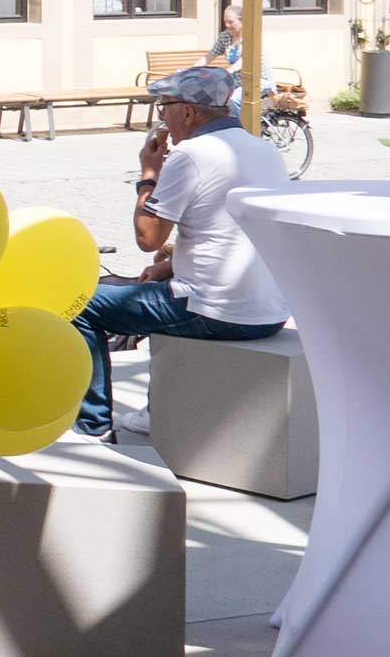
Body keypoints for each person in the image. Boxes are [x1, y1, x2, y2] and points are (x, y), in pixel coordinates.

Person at [71, 66, 290, 441]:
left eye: (164, 107)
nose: (162, 119)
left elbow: (148, 238)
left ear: (187, 112)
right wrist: (171, 265)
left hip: (216, 310)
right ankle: (159, 410)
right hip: (270, 309)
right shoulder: (265, 150)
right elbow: (235, 231)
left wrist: (149, 173)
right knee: (155, 290)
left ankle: (95, 427)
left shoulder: (190, 155)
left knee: (80, 304)